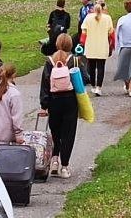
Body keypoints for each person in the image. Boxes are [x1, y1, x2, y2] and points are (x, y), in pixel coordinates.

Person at [40, 33, 78, 179]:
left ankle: (54, 160)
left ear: (56, 44)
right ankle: (65, 166)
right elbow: (84, 78)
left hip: (53, 101)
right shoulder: (73, 60)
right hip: (70, 100)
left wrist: (44, 104)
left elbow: (44, 84)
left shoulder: (50, 61)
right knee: (68, 133)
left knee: (55, 131)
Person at [81, 0, 114, 96]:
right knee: (101, 67)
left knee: (91, 67)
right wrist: (111, 44)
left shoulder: (88, 18)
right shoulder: (107, 18)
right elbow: (110, 32)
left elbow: (84, 32)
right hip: (102, 45)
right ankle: (99, 87)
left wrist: (82, 43)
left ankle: (93, 86)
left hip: (90, 45)